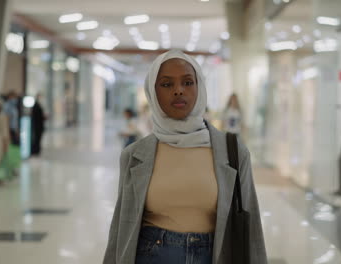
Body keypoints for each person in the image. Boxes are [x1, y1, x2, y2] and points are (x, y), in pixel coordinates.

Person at [103, 50, 267, 264]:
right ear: (152, 92)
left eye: (188, 82)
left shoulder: (232, 151)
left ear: (200, 88)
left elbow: (252, 226)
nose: (178, 91)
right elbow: (121, 227)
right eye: (166, 84)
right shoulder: (134, 155)